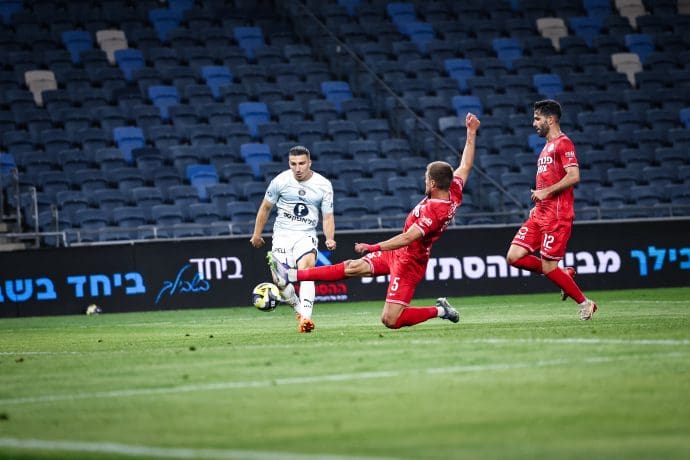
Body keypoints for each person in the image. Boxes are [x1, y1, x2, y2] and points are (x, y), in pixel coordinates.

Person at [268, 113, 481, 330]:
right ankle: (291, 274)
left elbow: (407, 238)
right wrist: (471, 132)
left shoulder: (435, 211)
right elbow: (465, 165)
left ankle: (441, 310)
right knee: (352, 267)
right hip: (397, 253)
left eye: (427, 179)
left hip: (409, 262)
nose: (424, 182)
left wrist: (373, 247)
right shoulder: (453, 189)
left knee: (390, 320)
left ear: (433, 183)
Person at [505, 99, 597, 320]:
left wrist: (545, 192)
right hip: (540, 213)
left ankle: (586, 303)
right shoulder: (546, 147)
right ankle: (562, 275)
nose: (534, 123)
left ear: (551, 119)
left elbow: (574, 176)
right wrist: (539, 203)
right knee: (514, 257)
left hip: (557, 216)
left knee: (548, 267)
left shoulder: (564, 144)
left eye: (537, 119)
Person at [250, 145, 336, 333]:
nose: (297, 168)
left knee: (306, 270)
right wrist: (257, 234)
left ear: (310, 162)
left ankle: (306, 318)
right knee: (280, 282)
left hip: (306, 234)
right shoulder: (280, 181)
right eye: (293, 164)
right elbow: (265, 207)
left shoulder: (323, 185)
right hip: (282, 235)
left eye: (302, 163)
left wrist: (329, 238)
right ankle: (299, 310)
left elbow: (328, 216)